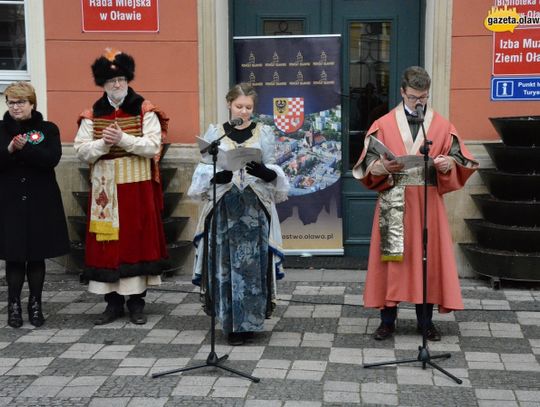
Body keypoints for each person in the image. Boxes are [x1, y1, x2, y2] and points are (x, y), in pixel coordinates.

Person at [352, 66, 478, 341]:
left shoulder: (442, 126)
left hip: (427, 203)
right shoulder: (383, 124)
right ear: (402, 92)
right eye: (412, 97)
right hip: (393, 200)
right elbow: (365, 166)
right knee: (391, 260)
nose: (418, 102)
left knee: (428, 260)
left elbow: (463, 160)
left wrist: (448, 163)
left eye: (423, 97)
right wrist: (381, 168)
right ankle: (387, 321)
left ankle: (426, 322)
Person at [188, 83, 289, 345]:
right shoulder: (217, 134)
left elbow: (273, 168)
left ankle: (250, 323)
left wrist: (267, 173)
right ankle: (229, 322)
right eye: (239, 106)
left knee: (252, 265)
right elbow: (202, 171)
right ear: (229, 105)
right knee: (225, 264)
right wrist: (216, 175)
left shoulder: (264, 133)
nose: (243, 111)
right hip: (224, 208)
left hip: (254, 207)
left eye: (248, 107)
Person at [74, 48, 168, 325]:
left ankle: (137, 302)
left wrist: (124, 139)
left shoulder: (144, 109)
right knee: (108, 243)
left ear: (128, 80)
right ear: (102, 84)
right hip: (105, 188)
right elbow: (80, 150)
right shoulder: (92, 114)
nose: (117, 85)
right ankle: (112, 303)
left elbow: (153, 145)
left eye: (122, 80)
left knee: (137, 240)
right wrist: (104, 143)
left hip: (137, 185)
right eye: (111, 81)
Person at [0, 81, 70, 328]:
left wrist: (25, 148)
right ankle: (14, 305)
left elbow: (51, 159)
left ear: (32, 103)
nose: (15, 107)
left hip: (41, 201)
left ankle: (36, 304)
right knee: (14, 256)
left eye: (20, 102)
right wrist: (9, 149)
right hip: (9, 202)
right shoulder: (1, 129)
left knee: (37, 255)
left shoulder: (48, 129)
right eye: (11, 102)